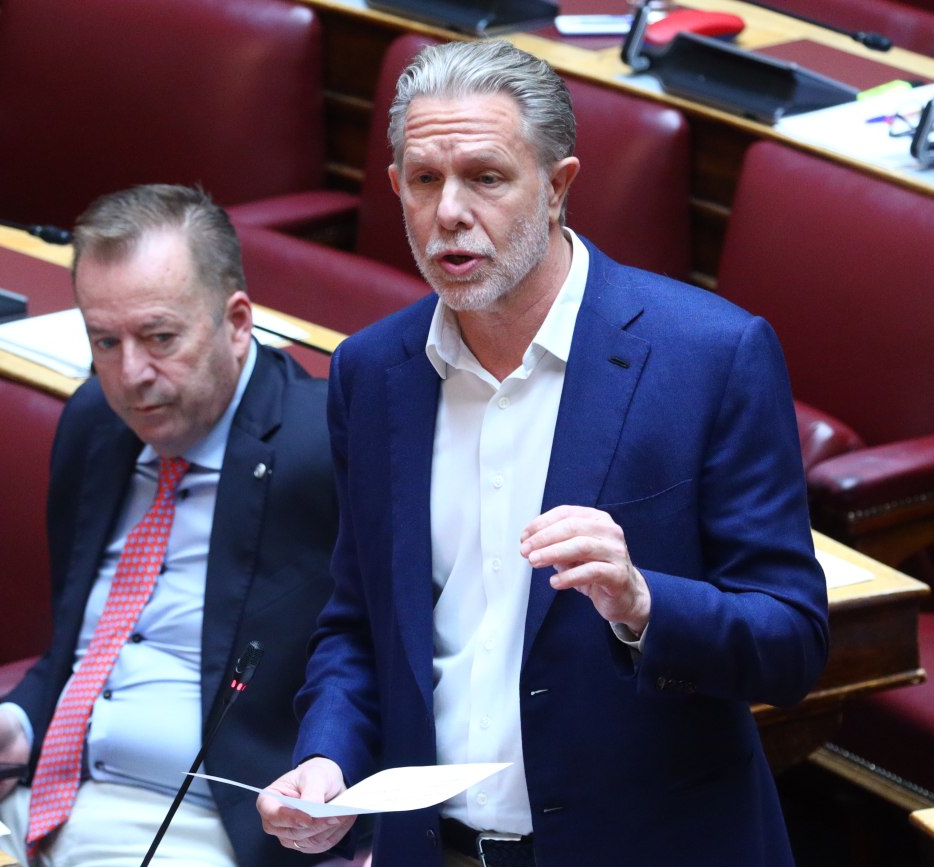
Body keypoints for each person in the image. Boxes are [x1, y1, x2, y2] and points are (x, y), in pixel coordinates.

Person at [256, 40, 829, 866]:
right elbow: (358, 622)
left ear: (558, 186)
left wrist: (642, 602)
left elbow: (792, 642)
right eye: (424, 180)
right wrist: (328, 752)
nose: (450, 212)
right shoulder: (373, 373)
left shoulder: (710, 357)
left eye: (486, 178)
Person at [0, 184, 338, 866]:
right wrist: (19, 722)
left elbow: (385, 666)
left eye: (160, 337)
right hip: (39, 791)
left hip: (202, 822)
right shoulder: (95, 422)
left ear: (236, 322)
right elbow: (85, 644)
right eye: (105, 341)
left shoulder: (322, 448)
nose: (130, 374)